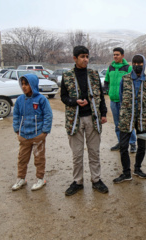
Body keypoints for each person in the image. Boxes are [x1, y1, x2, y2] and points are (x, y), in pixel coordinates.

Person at [61, 45, 108, 196]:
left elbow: (100, 95)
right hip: (74, 120)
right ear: (75, 58)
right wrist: (75, 101)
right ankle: (78, 182)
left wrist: (103, 113)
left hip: (92, 118)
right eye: (82, 57)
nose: (85, 59)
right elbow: (63, 97)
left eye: (87, 56)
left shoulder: (94, 74)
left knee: (94, 152)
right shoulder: (67, 76)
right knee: (77, 154)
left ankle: (96, 180)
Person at [113, 54, 146, 183]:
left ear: (144, 64)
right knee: (124, 146)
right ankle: (126, 172)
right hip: (126, 117)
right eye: (135, 63)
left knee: (142, 145)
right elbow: (121, 95)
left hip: (142, 117)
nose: (137, 65)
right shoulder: (125, 79)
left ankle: (137, 168)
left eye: (140, 63)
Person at [12, 74, 53, 191]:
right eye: (22, 84)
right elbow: (16, 115)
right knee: (22, 159)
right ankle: (21, 178)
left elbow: (48, 115)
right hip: (24, 136)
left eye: (27, 84)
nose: (24, 87)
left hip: (37, 136)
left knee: (39, 159)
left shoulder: (41, 99)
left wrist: (44, 132)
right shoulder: (20, 100)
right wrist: (17, 130)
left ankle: (40, 179)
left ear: (33, 84)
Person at [104, 47, 137, 153]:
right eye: (114, 54)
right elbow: (106, 81)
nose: (115, 56)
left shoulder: (128, 68)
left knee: (127, 123)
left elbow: (133, 83)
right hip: (113, 100)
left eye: (117, 54)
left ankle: (132, 143)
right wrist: (106, 90)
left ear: (123, 56)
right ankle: (121, 143)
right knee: (117, 123)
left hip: (125, 102)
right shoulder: (110, 67)